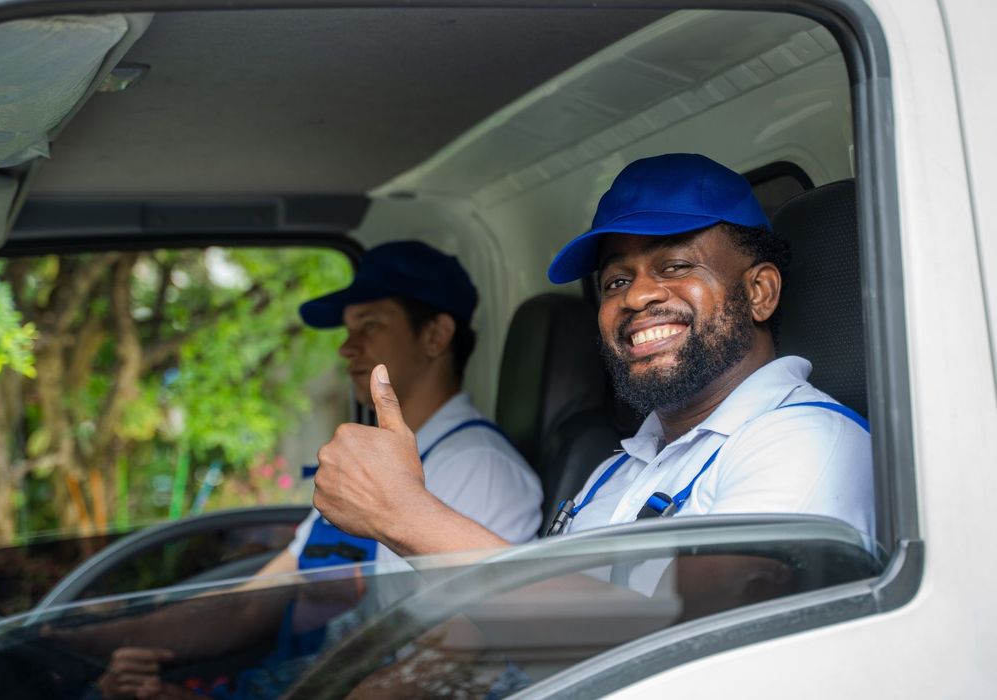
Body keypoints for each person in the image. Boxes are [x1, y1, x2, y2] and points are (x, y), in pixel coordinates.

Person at [312, 153, 874, 564]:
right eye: (615, 281)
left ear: (759, 292)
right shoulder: (618, 469)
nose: (634, 296)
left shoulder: (806, 443)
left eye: (676, 266)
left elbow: (691, 647)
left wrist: (403, 513)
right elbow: (545, 631)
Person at [91, 240, 542, 699]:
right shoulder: (374, 460)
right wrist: (81, 640)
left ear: (435, 335)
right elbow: (252, 605)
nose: (347, 348)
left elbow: (441, 665)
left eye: (369, 325)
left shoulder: (478, 466)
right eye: (347, 330)